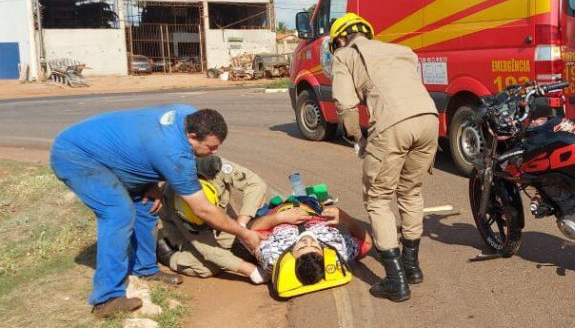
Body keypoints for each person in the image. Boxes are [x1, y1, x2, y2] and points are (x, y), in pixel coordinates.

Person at [50, 105, 263, 318]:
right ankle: (107, 298)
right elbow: (203, 210)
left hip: (111, 152)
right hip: (76, 156)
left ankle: (145, 269)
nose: (215, 152)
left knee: (147, 204)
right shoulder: (175, 154)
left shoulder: (187, 114)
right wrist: (244, 233)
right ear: (192, 136)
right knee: (118, 213)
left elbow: (146, 147)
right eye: (211, 147)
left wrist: (149, 181)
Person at [329, 13, 439, 302]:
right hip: (429, 120)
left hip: (393, 125)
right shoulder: (402, 51)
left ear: (341, 38)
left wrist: (357, 138)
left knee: (378, 198)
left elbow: (346, 105)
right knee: (411, 191)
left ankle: (394, 280)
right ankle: (411, 267)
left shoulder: (344, 55)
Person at [157, 155, 268, 283]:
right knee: (208, 268)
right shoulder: (180, 205)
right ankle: (166, 252)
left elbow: (255, 184)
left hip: (220, 221)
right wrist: (251, 270)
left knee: (244, 247)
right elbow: (209, 251)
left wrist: (241, 226)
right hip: (183, 230)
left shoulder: (213, 167)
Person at [249, 204, 371, 284]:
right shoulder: (336, 248)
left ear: (292, 255)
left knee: (261, 206)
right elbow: (367, 242)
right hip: (312, 208)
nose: (308, 240)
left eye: (302, 246)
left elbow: (252, 231)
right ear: (323, 252)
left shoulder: (274, 255)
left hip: (275, 211)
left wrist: (280, 218)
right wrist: (345, 218)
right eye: (314, 245)